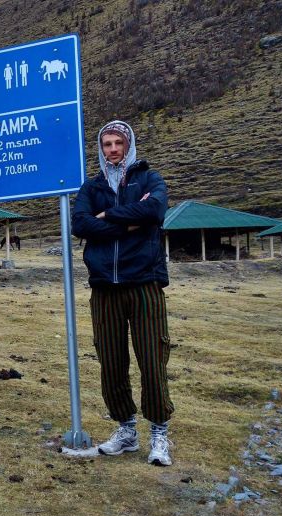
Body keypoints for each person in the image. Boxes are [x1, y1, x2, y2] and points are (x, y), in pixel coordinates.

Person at [71, 120, 175, 465]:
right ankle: (126, 429)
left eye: (118, 143)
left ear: (129, 145)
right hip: (104, 287)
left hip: (144, 282)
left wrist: (108, 217)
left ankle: (159, 431)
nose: (113, 149)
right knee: (111, 361)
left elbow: (155, 211)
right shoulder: (92, 186)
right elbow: (81, 225)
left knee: (152, 358)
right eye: (107, 144)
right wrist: (129, 223)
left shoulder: (149, 178)